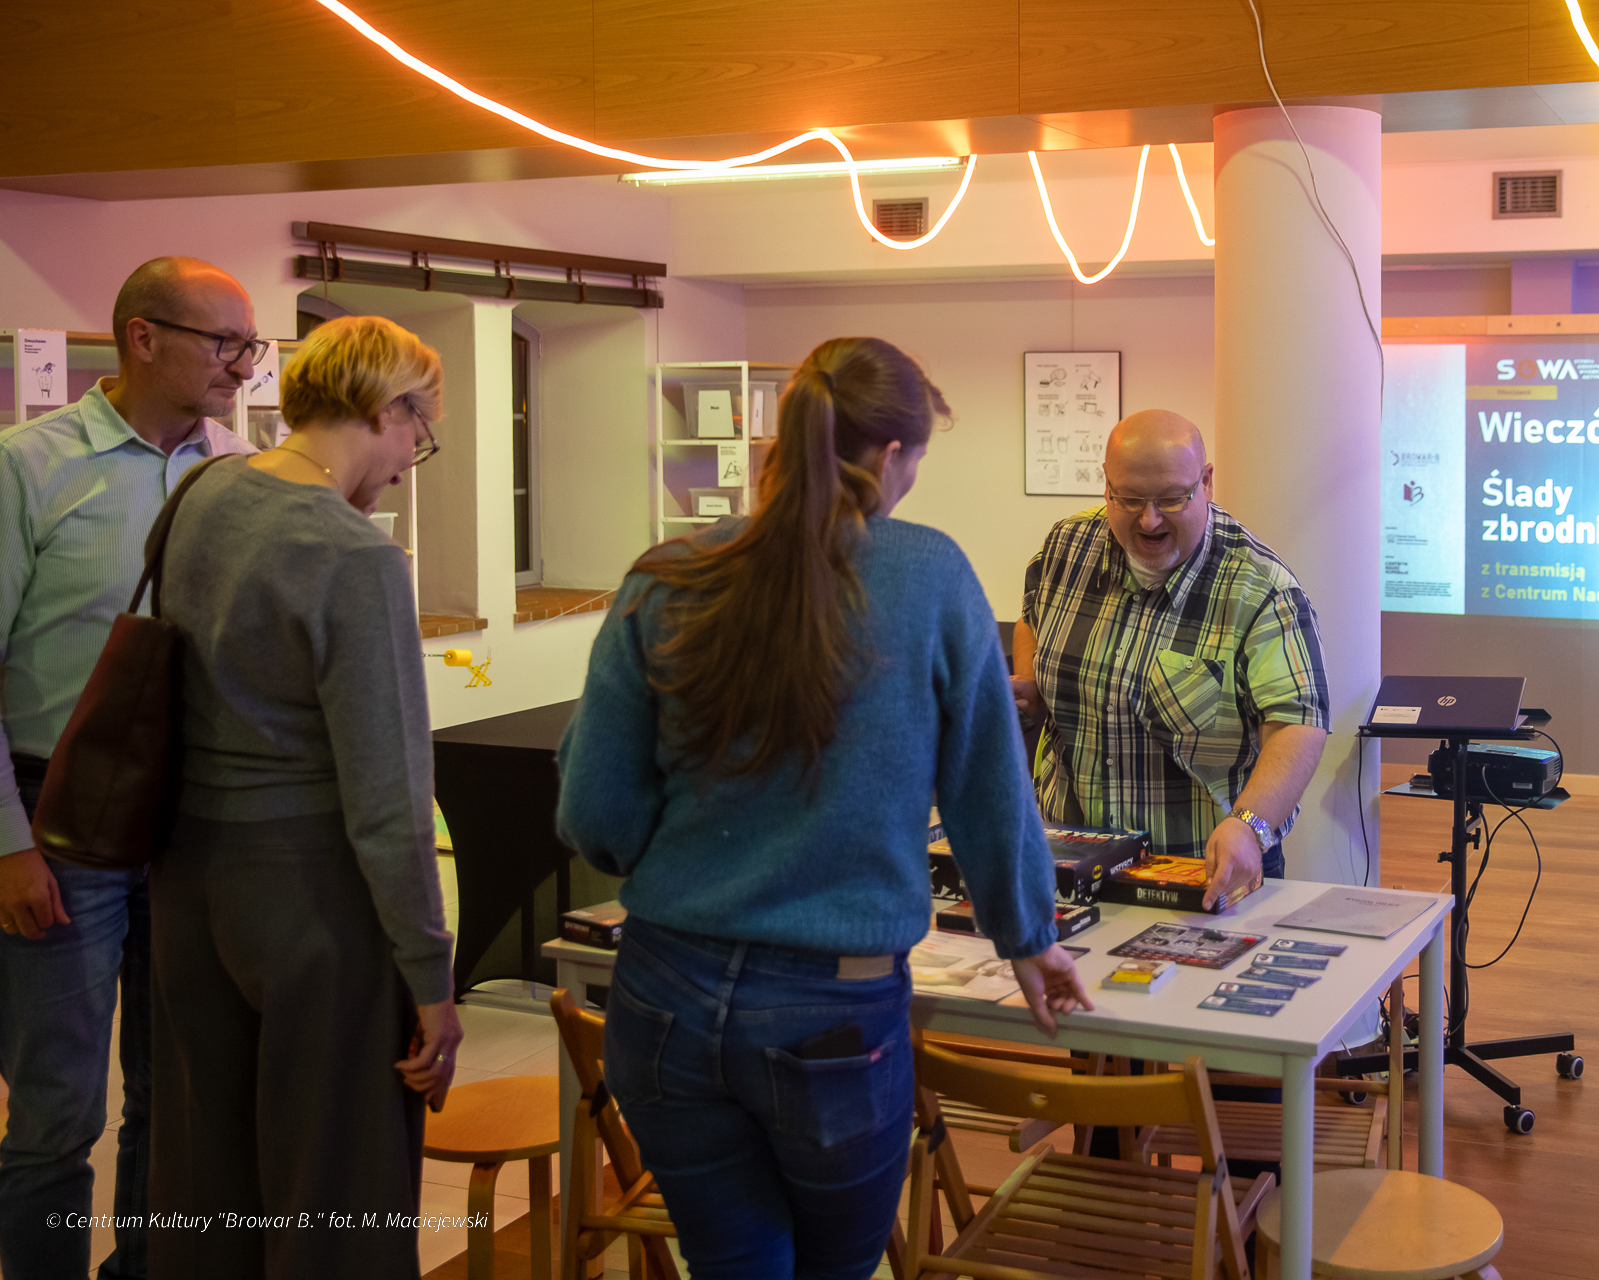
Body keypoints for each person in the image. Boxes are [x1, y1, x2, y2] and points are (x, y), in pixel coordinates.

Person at [557, 336, 1093, 1278]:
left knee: (733, 1263)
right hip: (833, 1012)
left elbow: (593, 811)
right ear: (890, 455)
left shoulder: (667, 574)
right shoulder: (929, 575)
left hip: (662, 988)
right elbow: (988, 785)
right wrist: (1029, 934)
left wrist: (696, 863)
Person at [145, 315, 459, 1279]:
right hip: (310, 895)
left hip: (188, 883)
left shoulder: (206, 491)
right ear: (386, 407)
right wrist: (432, 980)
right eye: (419, 434)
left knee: (205, 1185)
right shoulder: (354, 554)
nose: (407, 465)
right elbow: (389, 798)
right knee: (336, 1201)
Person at [0, 256, 259, 1279]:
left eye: (250, 345)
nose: (242, 365)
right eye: (223, 342)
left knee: (175, 1092)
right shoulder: (28, 466)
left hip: (191, 821)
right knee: (56, 1110)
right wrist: (8, 845)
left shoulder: (237, 469)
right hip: (53, 818)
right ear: (141, 339)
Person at [1012, 408, 1331, 907]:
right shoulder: (1066, 548)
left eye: (1170, 499)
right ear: (1107, 485)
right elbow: (1031, 617)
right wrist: (1031, 680)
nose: (1149, 520)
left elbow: (1298, 722)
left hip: (1200, 870)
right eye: (1130, 499)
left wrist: (1250, 825)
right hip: (1069, 859)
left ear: (1206, 482)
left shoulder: (1260, 588)